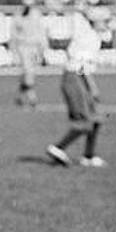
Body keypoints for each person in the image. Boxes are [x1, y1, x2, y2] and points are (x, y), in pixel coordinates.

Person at [46, 27, 106, 167]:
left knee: (97, 118)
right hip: (75, 78)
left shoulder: (91, 35)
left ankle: (89, 156)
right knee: (85, 120)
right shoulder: (90, 37)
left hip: (78, 77)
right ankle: (58, 148)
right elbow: (81, 66)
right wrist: (92, 86)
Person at [9, 0, 47, 107]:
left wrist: (42, 50)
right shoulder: (18, 16)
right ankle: (32, 97)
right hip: (23, 46)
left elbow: (41, 33)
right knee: (28, 71)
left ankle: (19, 96)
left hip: (34, 47)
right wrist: (14, 49)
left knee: (29, 73)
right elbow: (13, 33)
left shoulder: (36, 15)